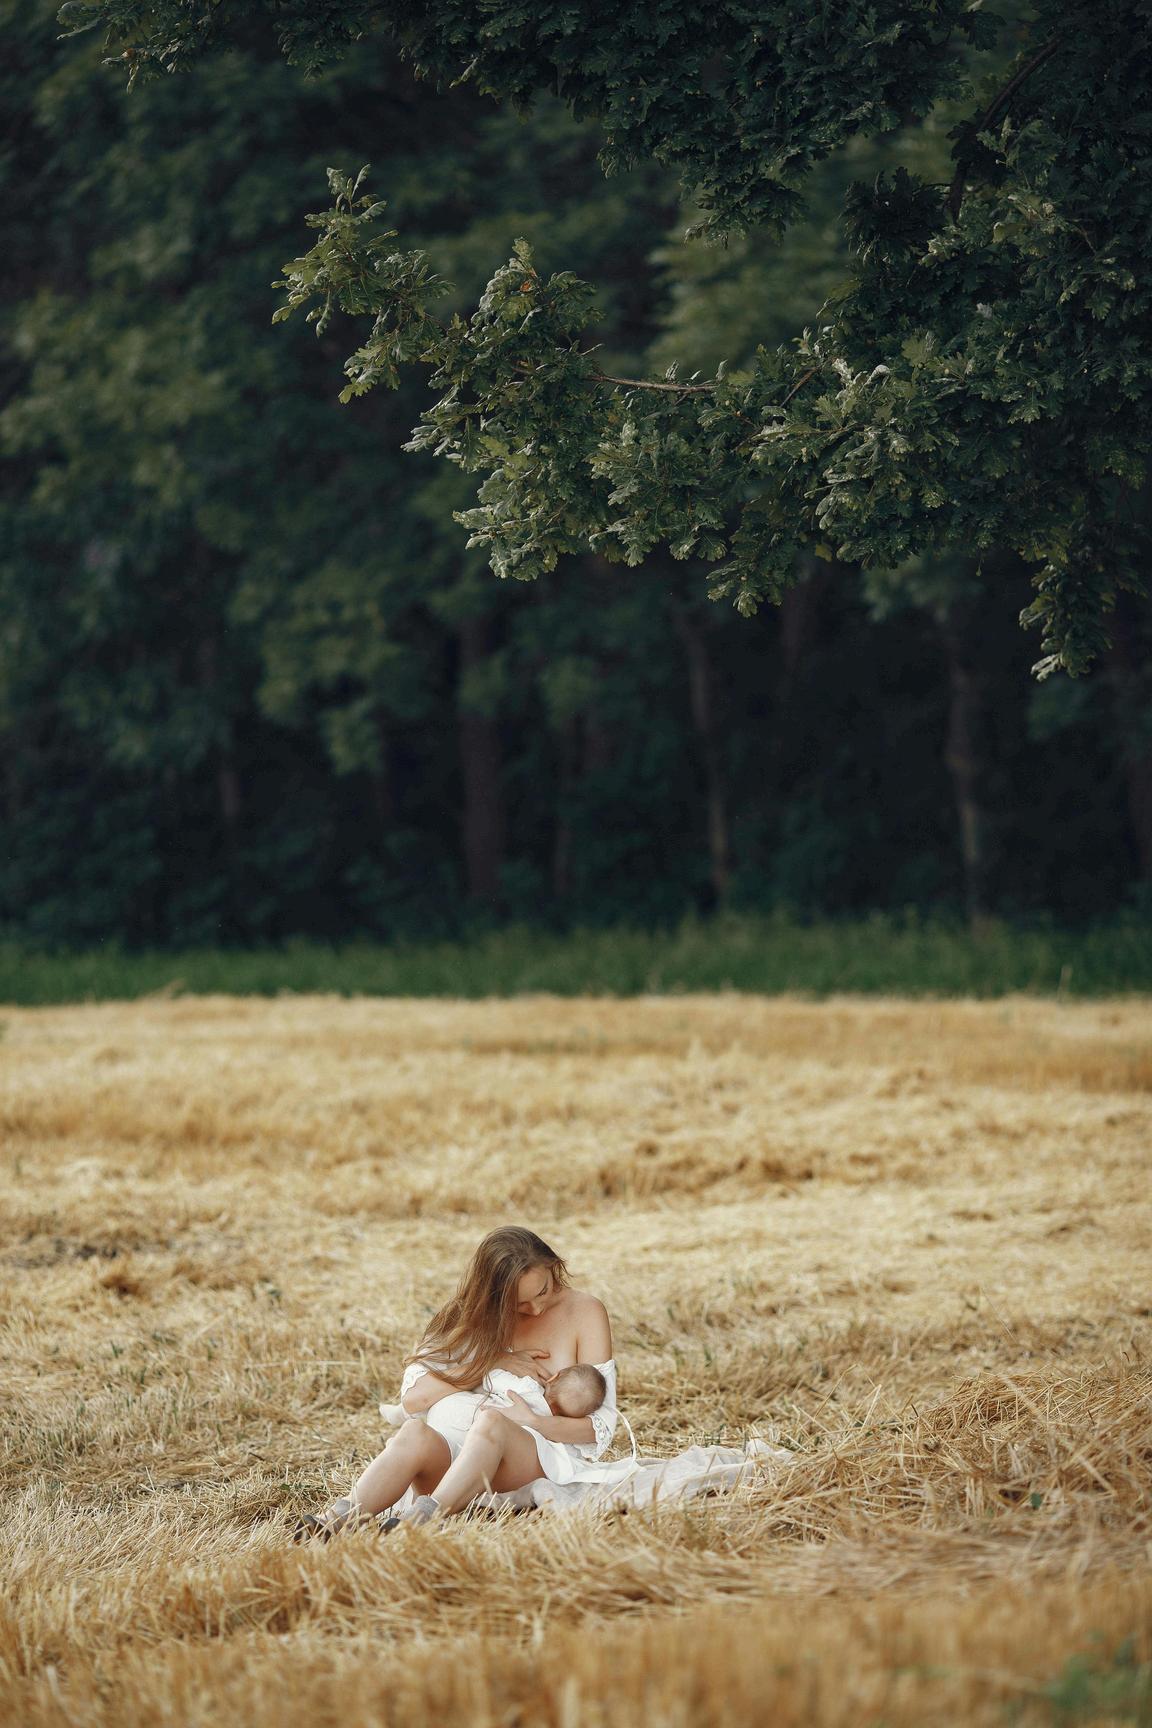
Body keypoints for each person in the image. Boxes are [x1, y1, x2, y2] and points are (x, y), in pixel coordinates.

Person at [295, 1225, 618, 1538]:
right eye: (518, 1303)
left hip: (531, 1461)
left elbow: (600, 1427)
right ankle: (337, 1519)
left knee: (492, 1423)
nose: (535, 1309)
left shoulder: (585, 1312)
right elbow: (414, 1401)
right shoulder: (469, 1318)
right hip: (458, 1461)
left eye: (543, 1290)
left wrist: (534, 1421)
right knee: (414, 1432)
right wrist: (490, 1362)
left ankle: (424, 1519)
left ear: (553, 1265)